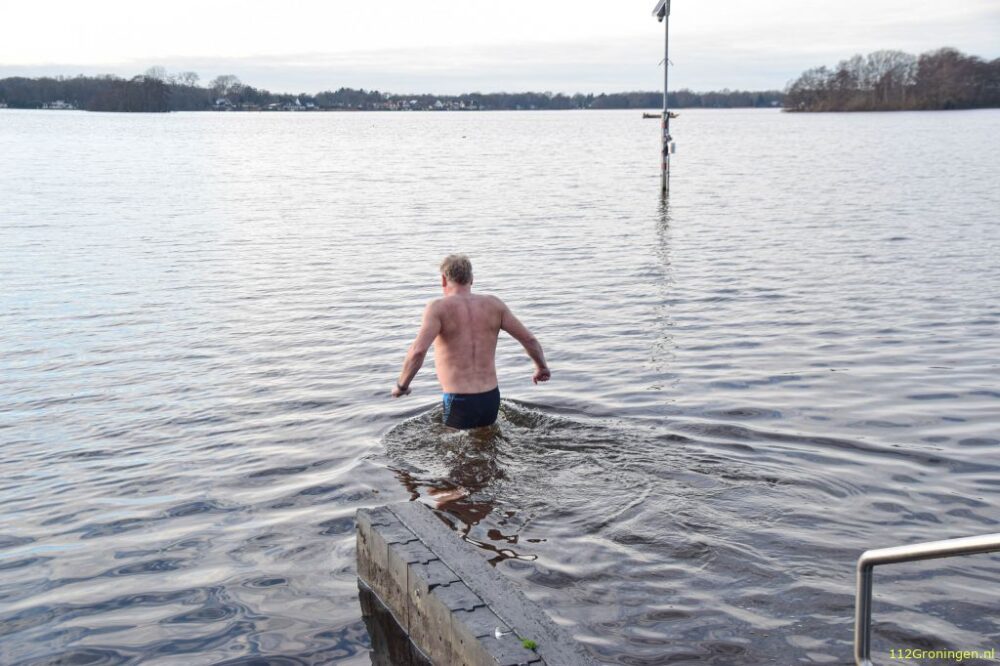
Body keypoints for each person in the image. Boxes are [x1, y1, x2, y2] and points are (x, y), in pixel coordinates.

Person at [391, 254, 550, 429]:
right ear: (471, 279)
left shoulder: (438, 308)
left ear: (443, 280)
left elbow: (418, 351)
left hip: (458, 399)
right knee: (487, 441)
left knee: (454, 445)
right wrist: (541, 367)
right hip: (491, 397)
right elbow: (529, 339)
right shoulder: (495, 305)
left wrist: (402, 386)